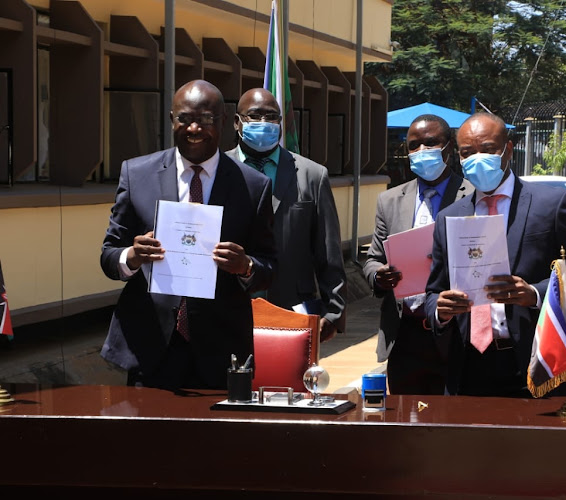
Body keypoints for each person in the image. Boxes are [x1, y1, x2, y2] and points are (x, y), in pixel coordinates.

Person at [100, 80, 276, 390]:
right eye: (185, 118)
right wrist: (133, 256)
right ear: (172, 119)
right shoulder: (137, 174)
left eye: (206, 119)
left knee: (215, 440)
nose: (194, 128)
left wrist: (245, 266)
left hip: (221, 349)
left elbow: (269, 267)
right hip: (151, 347)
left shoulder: (252, 186)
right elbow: (109, 256)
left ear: (223, 121)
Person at [424, 113, 566, 397]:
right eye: (468, 152)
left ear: (507, 149)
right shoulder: (449, 217)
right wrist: (440, 310)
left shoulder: (551, 204)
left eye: (488, 149)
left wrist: (534, 293)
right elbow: (433, 292)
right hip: (468, 369)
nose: (478, 158)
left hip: (535, 363)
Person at [363, 114, 473, 395]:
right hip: (404, 334)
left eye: (430, 143)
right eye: (414, 145)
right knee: (404, 424)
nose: (422, 151)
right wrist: (378, 275)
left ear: (449, 148)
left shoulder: (473, 196)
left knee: (452, 425)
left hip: (456, 333)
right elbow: (373, 258)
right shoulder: (389, 200)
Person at [226, 88, 346, 342]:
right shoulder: (217, 172)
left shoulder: (312, 175)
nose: (263, 124)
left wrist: (334, 312)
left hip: (294, 309)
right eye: (255, 116)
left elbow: (328, 252)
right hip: (230, 309)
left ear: (281, 124)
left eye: (271, 117)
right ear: (237, 122)